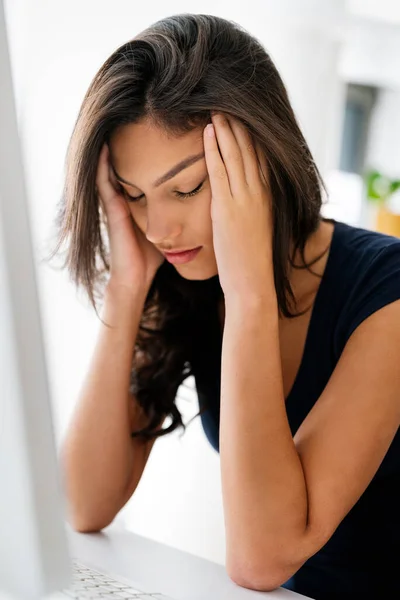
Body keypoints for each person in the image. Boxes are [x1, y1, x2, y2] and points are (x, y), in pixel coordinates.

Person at [46, 13, 400, 600]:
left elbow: (263, 559)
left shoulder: (386, 293)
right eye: (134, 196)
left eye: (186, 188)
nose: (159, 227)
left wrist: (250, 292)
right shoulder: (184, 277)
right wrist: (127, 287)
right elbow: (84, 503)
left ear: (264, 159)